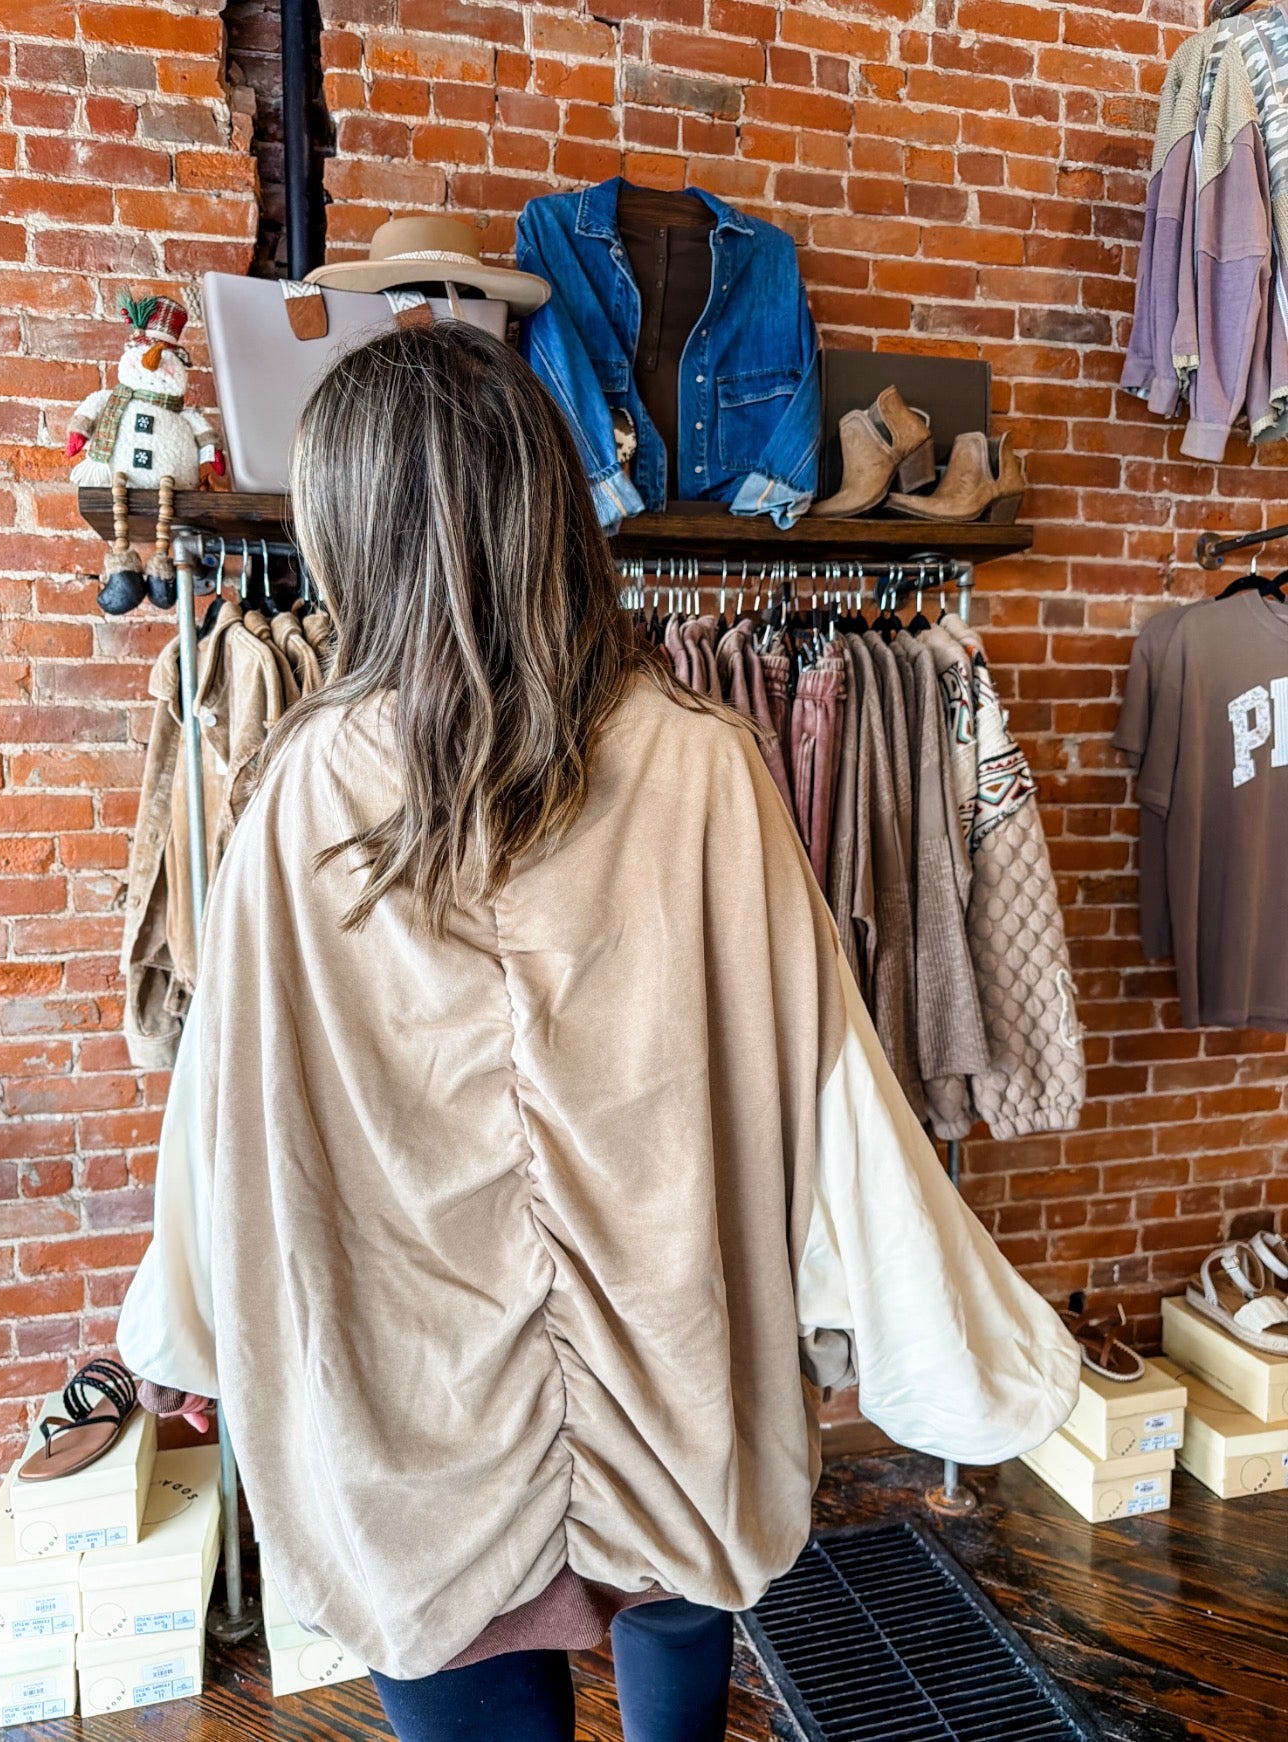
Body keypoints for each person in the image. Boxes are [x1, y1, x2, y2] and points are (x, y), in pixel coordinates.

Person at [118, 322, 1078, 1742]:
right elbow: (831, 1076)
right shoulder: (700, 762)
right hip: (676, 1377)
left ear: (351, 532)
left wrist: (181, 1323)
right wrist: (917, 1320)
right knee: (678, 1653)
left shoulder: (302, 792)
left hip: (415, 1415)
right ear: (555, 508)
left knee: (474, 1670)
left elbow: (223, 1111)